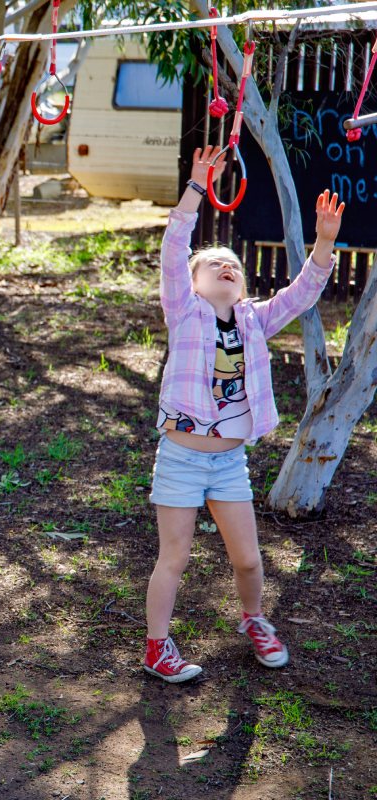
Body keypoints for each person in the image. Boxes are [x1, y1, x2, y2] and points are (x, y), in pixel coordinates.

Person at [143, 145, 346, 683]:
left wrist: (324, 243)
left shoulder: (255, 321)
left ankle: (254, 620)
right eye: (214, 264)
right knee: (175, 557)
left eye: (232, 265)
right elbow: (173, 247)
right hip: (182, 457)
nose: (227, 267)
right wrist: (195, 186)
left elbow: (301, 295)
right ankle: (157, 646)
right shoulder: (183, 311)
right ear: (192, 282)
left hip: (229, 463)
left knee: (250, 561)